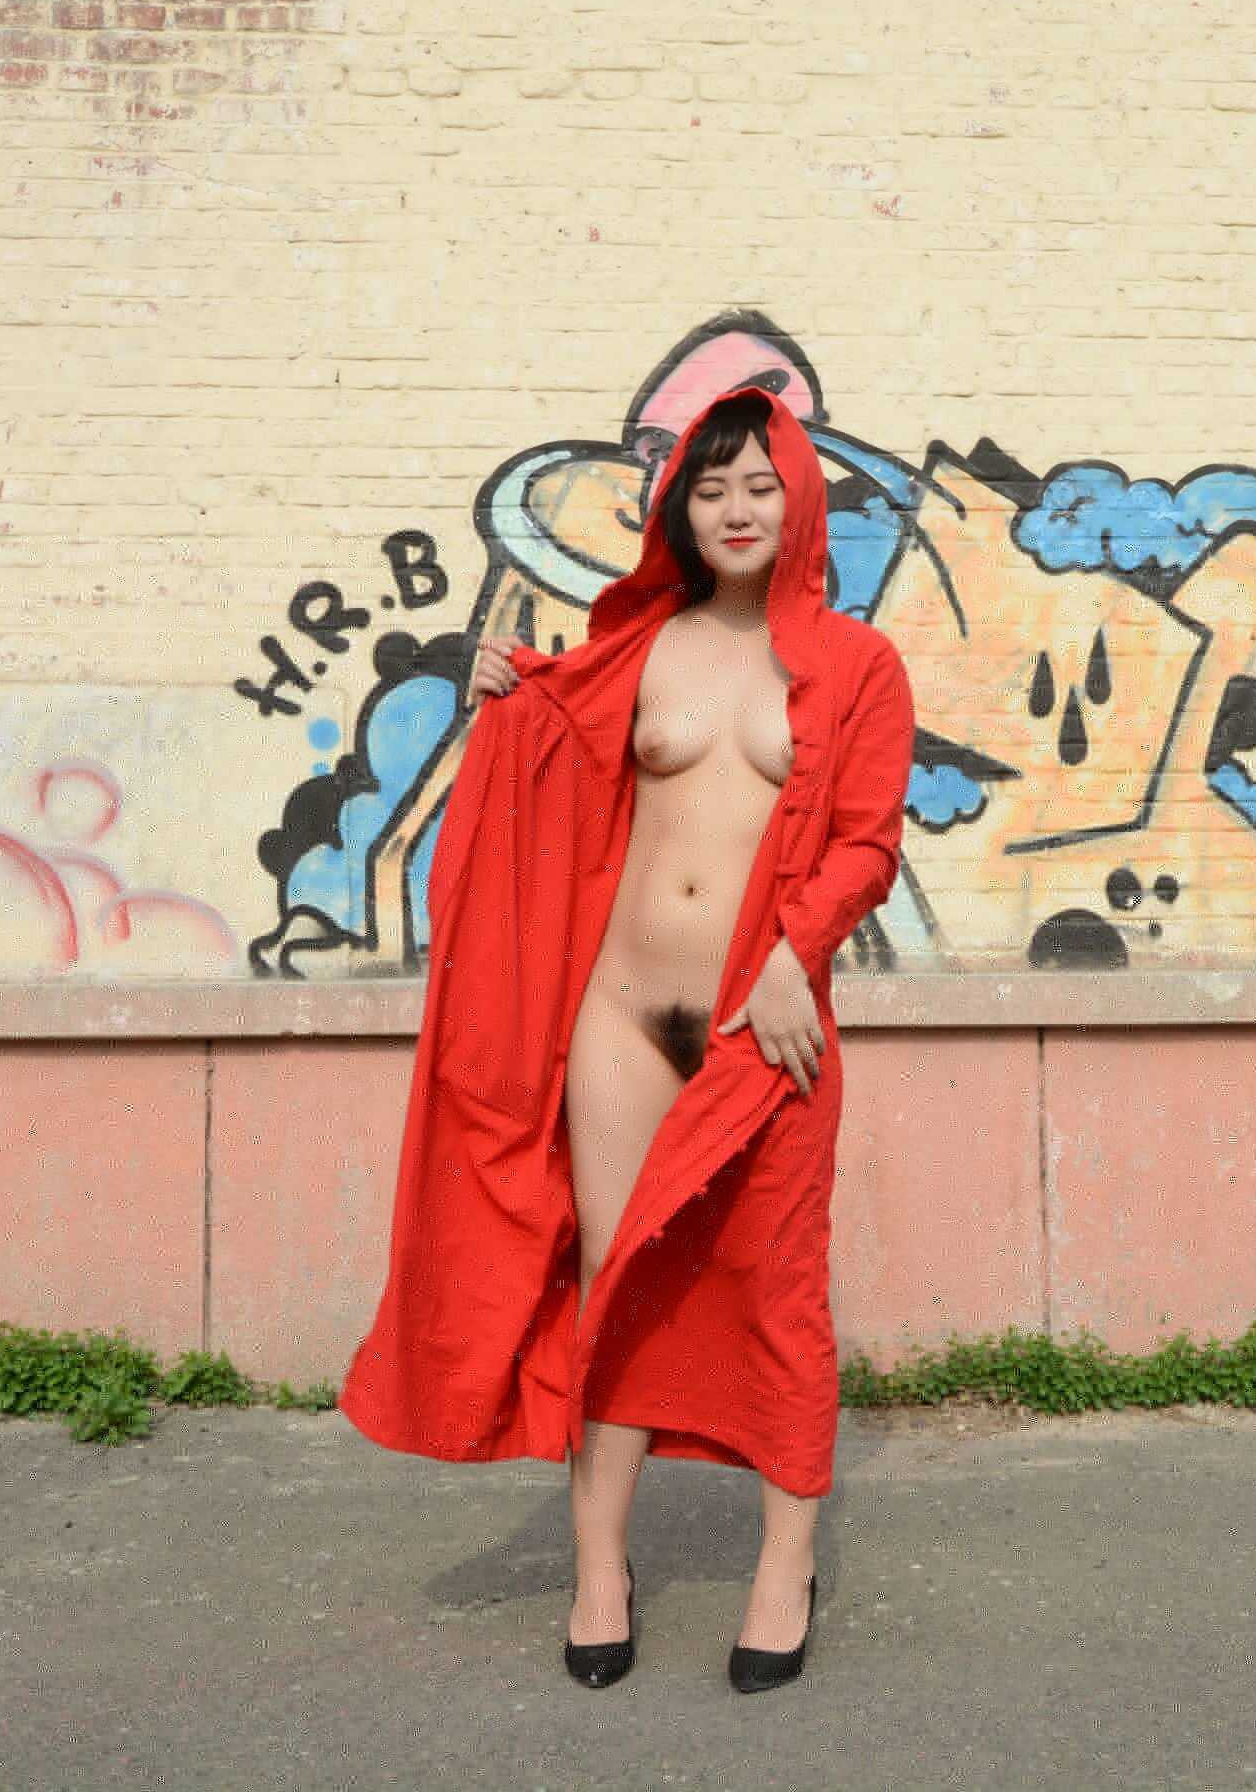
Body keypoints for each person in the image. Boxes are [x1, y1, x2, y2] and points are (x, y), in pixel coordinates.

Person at [339, 386, 916, 1697]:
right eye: (711, 489)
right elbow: (554, 751)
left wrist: (795, 954)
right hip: (621, 1013)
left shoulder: (858, 666)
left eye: (759, 485)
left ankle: (784, 1568)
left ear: (799, 501)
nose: (736, 510)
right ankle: (601, 1569)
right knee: (615, 1277)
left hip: (763, 1023)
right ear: (680, 512)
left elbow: (868, 843)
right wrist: (503, 695)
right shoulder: (640, 648)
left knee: (776, 1286)